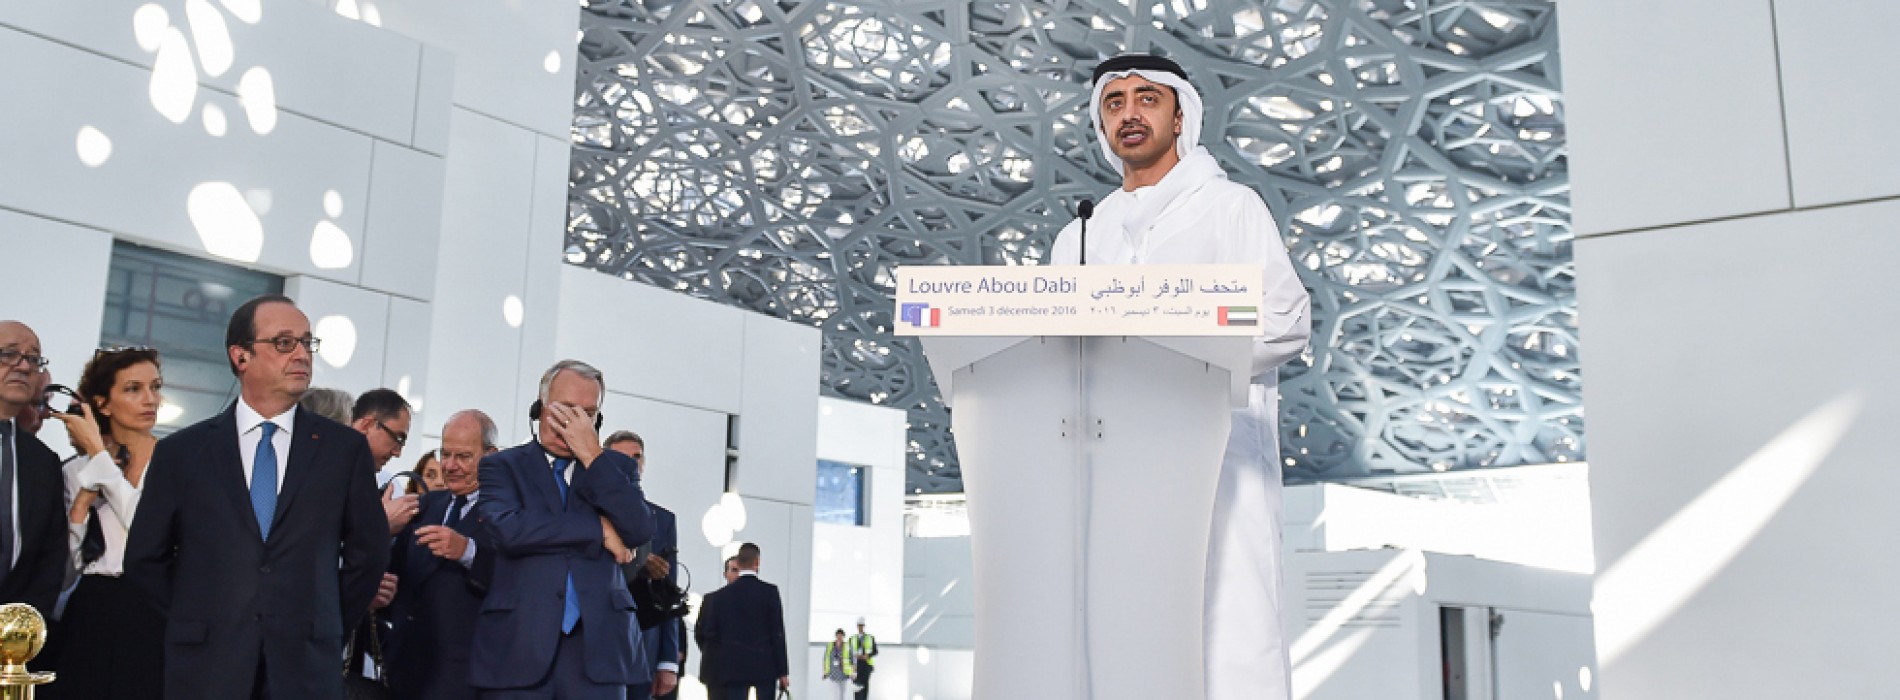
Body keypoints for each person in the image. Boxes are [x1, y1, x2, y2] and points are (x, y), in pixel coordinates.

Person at [1049, 53, 1312, 700]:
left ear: (1180, 116)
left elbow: (1285, 318)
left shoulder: (1229, 208)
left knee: (1229, 625)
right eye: (1114, 103)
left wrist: (1178, 356)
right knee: (1119, 629)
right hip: (1112, 463)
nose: (1129, 114)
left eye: (1146, 99)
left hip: (1218, 455)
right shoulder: (1080, 237)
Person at [124, 294, 390, 699]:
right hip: (206, 665)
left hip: (305, 666)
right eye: (285, 343)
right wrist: (199, 617)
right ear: (240, 356)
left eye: (307, 342)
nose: (301, 354)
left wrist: (324, 618)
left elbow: (367, 555)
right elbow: (146, 558)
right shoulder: (183, 452)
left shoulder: (343, 450)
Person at [468, 360, 654, 699]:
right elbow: (508, 529)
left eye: (588, 413)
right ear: (540, 406)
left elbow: (639, 528)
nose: (575, 422)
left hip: (599, 653)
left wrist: (593, 457)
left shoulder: (616, 468)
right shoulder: (502, 466)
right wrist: (597, 529)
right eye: (566, 409)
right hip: (518, 647)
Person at [42, 346, 166, 699]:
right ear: (103, 403)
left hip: (155, 607)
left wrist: (100, 460)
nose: (150, 399)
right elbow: (64, 572)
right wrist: (80, 511)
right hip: (91, 608)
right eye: (133, 388)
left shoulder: (181, 462)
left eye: (155, 387)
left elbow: (151, 535)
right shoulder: (73, 471)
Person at [384, 410, 500, 700]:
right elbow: (396, 576)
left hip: (464, 677)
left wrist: (468, 552)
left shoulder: (508, 513)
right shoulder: (423, 506)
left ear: (491, 456)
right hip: (404, 669)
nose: (450, 466)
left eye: (463, 457)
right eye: (445, 454)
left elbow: (517, 583)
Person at [0, 322, 78, 621]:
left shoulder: (44, 463)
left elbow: (49, 559)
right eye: (9, 354)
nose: (23, 366)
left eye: (33, 358)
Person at [605, 431, 680, 699]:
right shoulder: (587, 511)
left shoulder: (663, 520)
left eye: (636, 457)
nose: (632, 464)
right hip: (596, 639)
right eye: (623, 458)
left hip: (644, 643)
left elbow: (668, 593)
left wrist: (668, 660)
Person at [693, 543, 788, 700]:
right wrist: (783, 671)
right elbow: (777, 633)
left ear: (740, 562)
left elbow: (706, 633)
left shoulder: (719, 597)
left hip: (732, 668)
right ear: (757, 562)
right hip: (765, 667)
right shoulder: (769, 592)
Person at [846, 618, 876, 700]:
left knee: (864, 686)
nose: (860, 627)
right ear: (857, 626)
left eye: (862, 626)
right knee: (856, 687)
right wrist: (852, 665)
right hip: (856, 665)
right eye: (859, 626)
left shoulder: (870, 638)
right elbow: (848, 653)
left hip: (866, 665)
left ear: (864, 626)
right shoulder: (852, 639)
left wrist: (868, 655)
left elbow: (875, 651)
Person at [819, 629, 852, 700]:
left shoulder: (847, 646)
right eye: (838, 635)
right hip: (833, 674)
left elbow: (852, 659)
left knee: (842, 696)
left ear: (843, 636)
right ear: (836, 636)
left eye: (841, 635)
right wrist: (825, 672)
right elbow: (826, 659)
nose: (839, 637)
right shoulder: (830, 645)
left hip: (843, 674)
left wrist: (852, 672)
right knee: (835, 696)